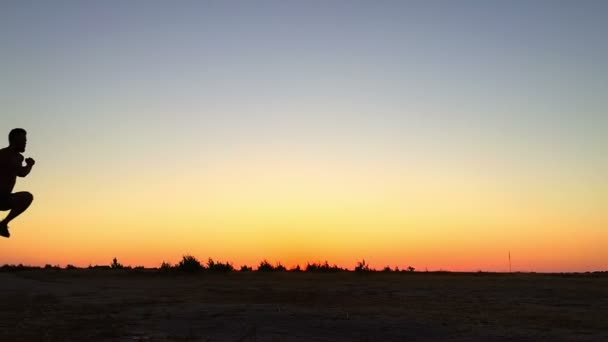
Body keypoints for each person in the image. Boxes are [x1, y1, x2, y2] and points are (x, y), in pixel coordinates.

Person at [0, 128, 35, 238]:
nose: (25, 143)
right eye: (23, 140)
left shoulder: (19, 157)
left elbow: (21, 173)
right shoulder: (3, 154)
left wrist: (29, 165)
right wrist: (29, 165)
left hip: (4, 199)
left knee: (27, 197)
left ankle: (3, 223)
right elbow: (22, 172)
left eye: (25, 140)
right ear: (15, 140)